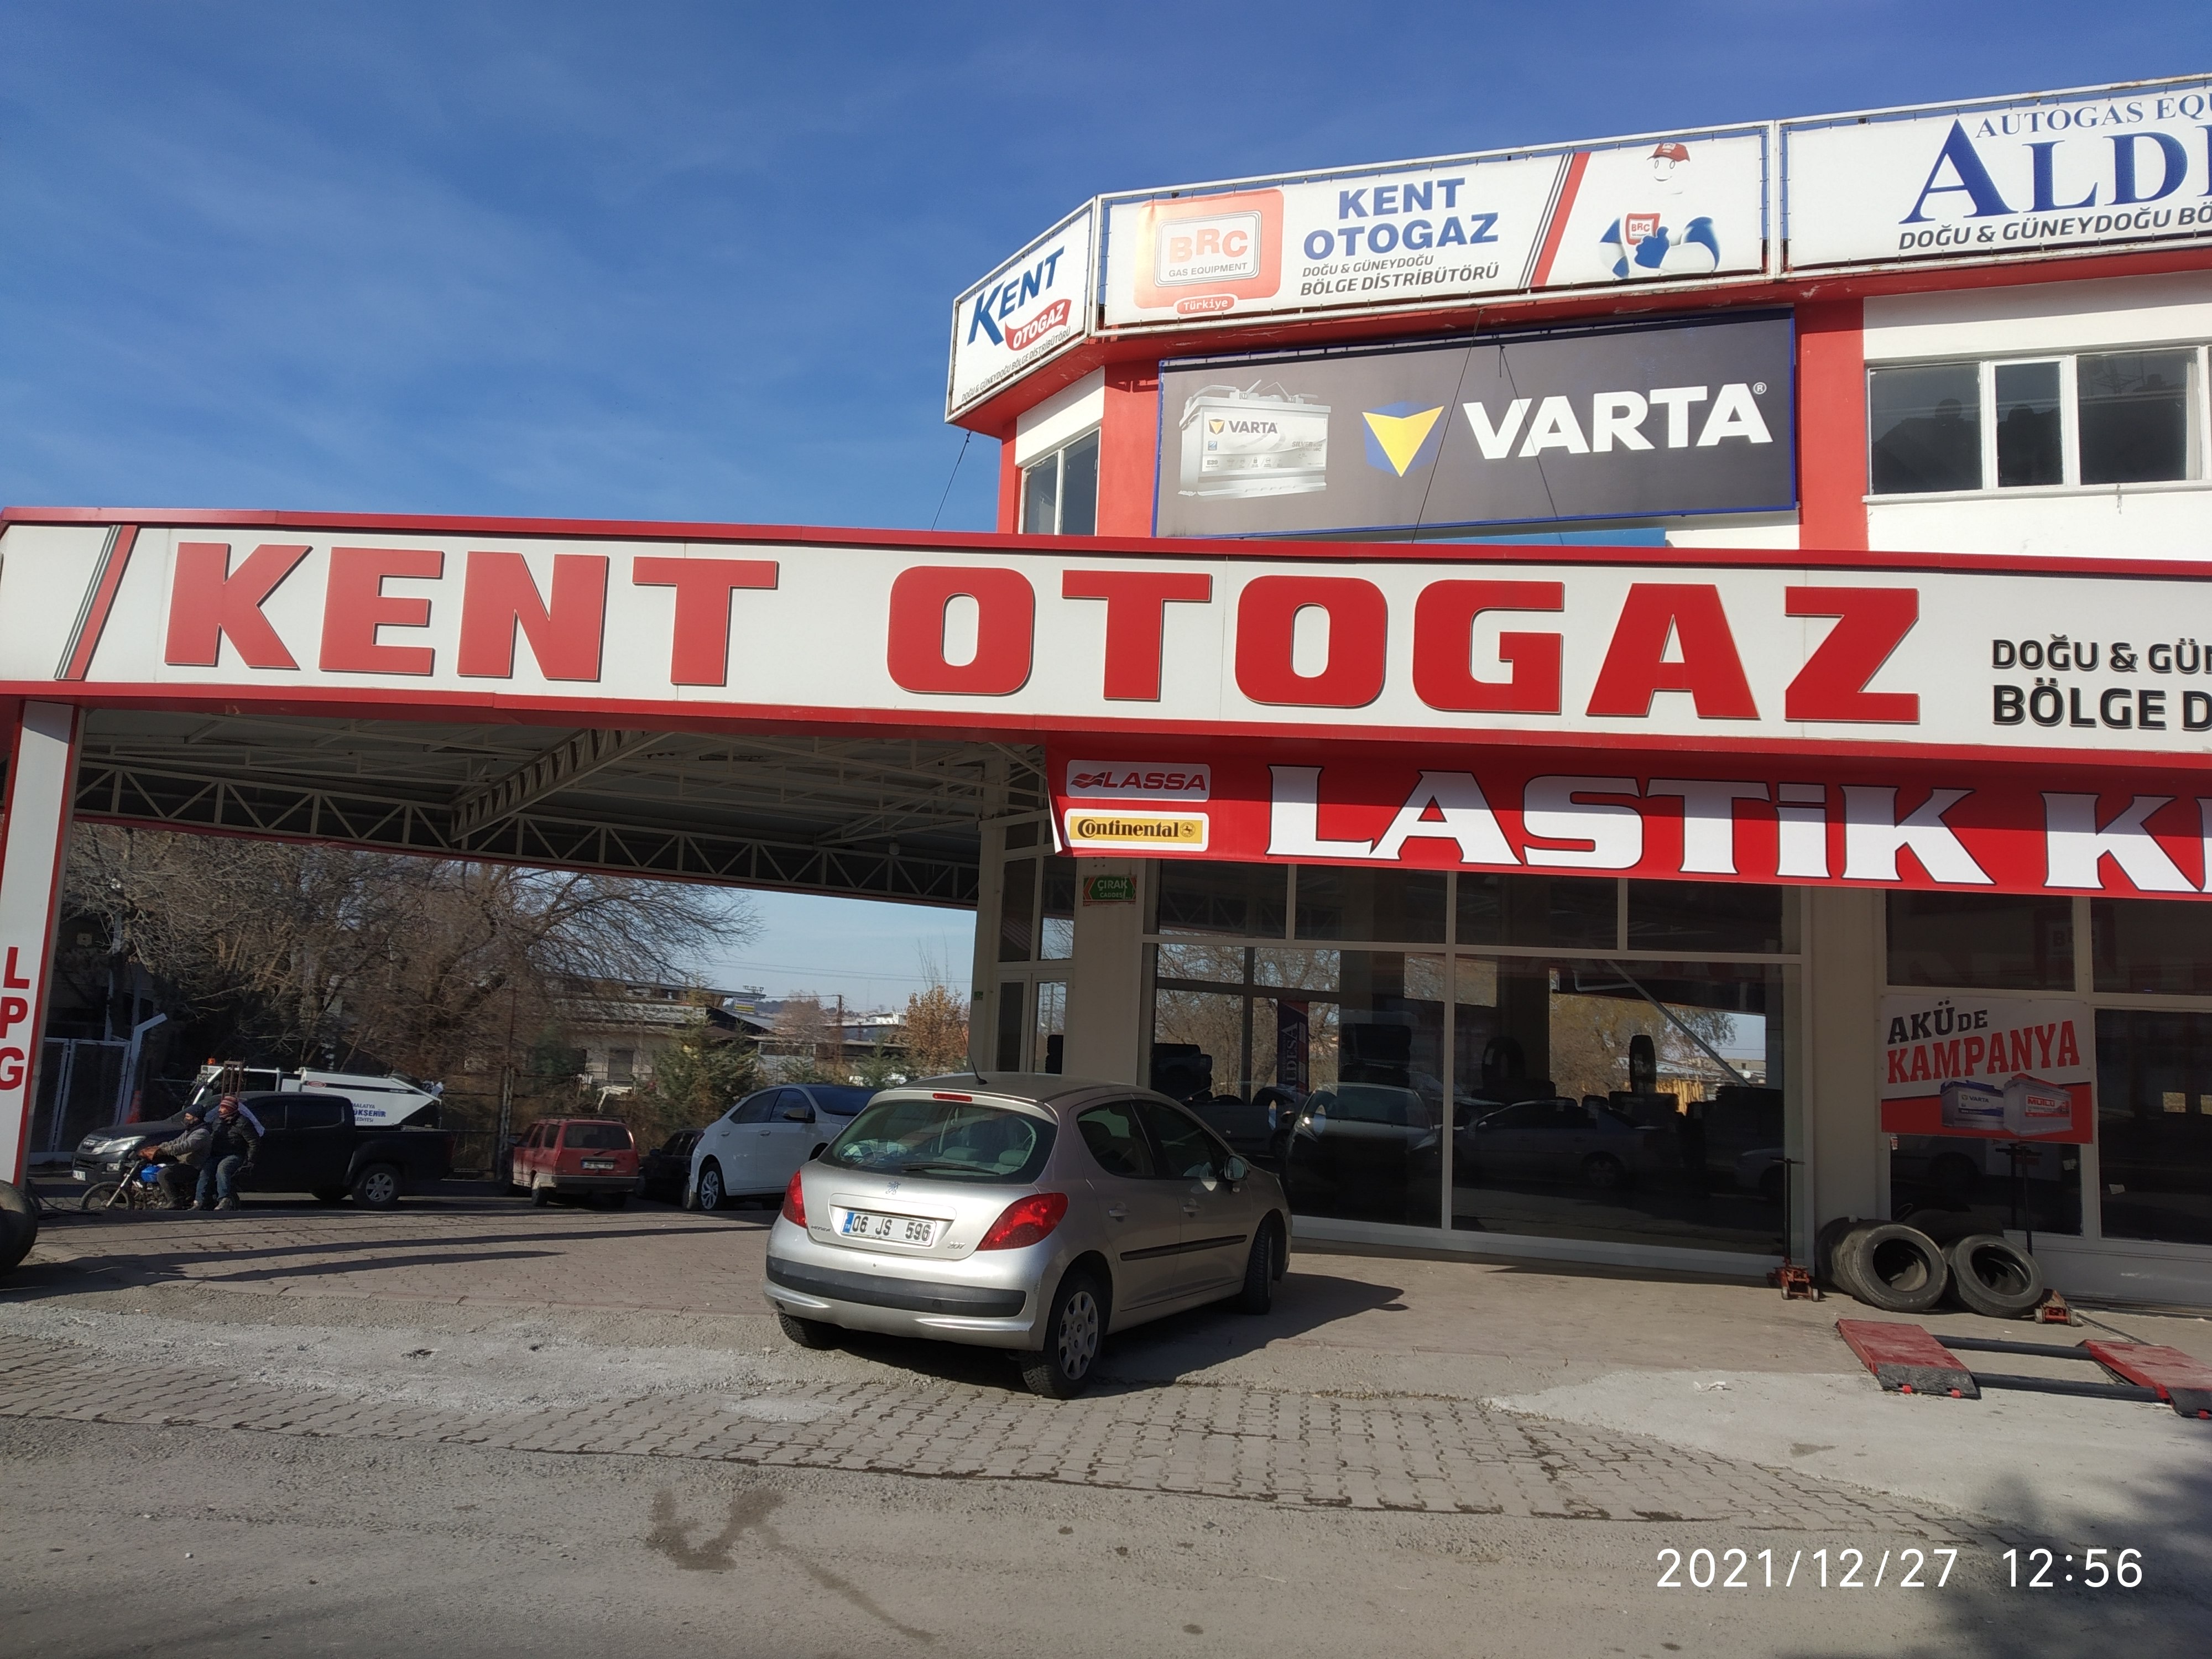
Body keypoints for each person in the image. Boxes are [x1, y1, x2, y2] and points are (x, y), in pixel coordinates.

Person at [195, 1094, 261, 1211]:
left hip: (234, 1155)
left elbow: (254, 1142)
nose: (220, 1110)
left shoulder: (243, 1123)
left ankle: (224, 1199)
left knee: (223, 1168)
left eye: (223, 1108)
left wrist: (250, 1160)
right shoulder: (218, 1121)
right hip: (216, 1154)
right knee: (206, 1171)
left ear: (230, 1109)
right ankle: (199, 1201)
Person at [145, 1107, 212, 1209]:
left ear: (196, 1118)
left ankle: (174, 1201)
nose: (185, 1119)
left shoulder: (201, 1133)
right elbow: (175, 1142)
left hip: (193, 1166)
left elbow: (185, 1147)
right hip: (184, 1163)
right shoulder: (190, 1131)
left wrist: (163, 1151)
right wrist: (156, 1148)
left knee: (163, 1174)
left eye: (188, 1117)